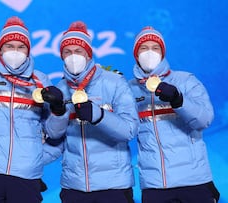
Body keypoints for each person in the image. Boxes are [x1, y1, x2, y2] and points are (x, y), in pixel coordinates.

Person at [41, 21, 139, 203]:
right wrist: (58, 112)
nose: (73, 57)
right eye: (67, 52)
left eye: (78, 51)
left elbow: (130, 130)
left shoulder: (114, 82)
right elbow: (55, 136)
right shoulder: (60, 89)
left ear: (88, 54)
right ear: (61, 56)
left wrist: (99, 116)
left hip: (114, 186)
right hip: (74, 187)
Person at [128, 26, 220, 203]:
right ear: (136, 54)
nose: (149, 53)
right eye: (144, 48)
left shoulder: (185, 80)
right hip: (155, 185)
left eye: (155, 48)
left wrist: (179, 100)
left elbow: (204, 119)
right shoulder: (128, 89)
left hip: (194, 181)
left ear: (162, 52)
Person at [0, 16, 52, 203]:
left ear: (28, 51)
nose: (15, 52)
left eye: (21, 47)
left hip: (26, 174)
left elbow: (56, 131)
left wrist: (36, 158)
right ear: (0, 50)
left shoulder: (41, 81)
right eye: (9, 46)